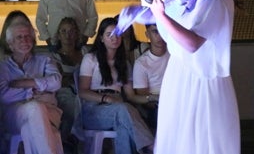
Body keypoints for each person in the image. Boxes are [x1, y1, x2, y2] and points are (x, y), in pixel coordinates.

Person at [142, 0, 247, 154]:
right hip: (179, 78)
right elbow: (157, 15)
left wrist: (160, 13)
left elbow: (192, 43)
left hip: (203, 84)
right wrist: (149, 5)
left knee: (200, 144)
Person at [78, 17, 154, 154]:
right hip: (94, 109)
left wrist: (151, 98)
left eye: (118, 34)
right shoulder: (90, 59)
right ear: (101, 38)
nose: (115, 38)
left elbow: (131, 96)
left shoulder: (124, 64)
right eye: (109, 35)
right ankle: (151, 147)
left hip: (118, 108)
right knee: (122, 110)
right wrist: (106, 98)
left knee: (123, 124)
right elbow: (82, 92)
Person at [0, 22, 63, 154]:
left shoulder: (45, 60)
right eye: (19, 37)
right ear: (10, 44)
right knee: (35, 108)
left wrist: (26, 82)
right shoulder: (3, 67)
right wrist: (33, 90)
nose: (25, 40)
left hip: (50, 111)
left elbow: (56, 82)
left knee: (29, 128)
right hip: (15, 115)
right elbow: (4, 95)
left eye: (28, 36)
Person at [52, 17, 87, 153]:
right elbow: (59, 80)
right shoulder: (54, 57)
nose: (68, 35)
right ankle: (68, 140)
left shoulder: (84, 53)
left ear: (77, 34)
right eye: (64, 31)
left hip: (84, 91)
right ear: (59, 35)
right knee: (71, 102)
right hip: (64, 93)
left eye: (72, 31)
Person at [133, 24, 169, 132]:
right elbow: (144, 99)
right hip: (157, 107)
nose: (160, 35)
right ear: (147, 34)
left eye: (163, 30)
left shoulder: (176, 56)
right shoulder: (141, 63)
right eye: (155, 32)